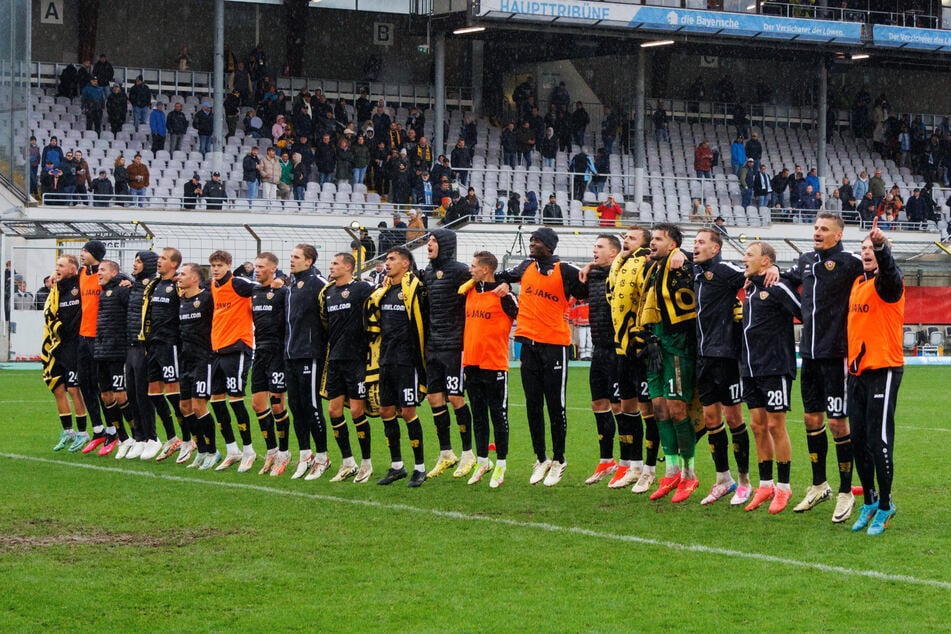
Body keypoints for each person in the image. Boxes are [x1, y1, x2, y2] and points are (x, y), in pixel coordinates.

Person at [777, 212, 865, 523]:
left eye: (824, 229)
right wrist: (776, 272)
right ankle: (819, 485)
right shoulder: (804, 261)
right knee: (811, 419)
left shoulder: (850, 262)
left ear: (837, 235)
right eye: (815, 227)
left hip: (836, 354)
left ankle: (844, 491)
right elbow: (785, 280)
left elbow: (877, 274)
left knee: (839, 424)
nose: (817, 232)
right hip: (810, 356)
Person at [497, 227, 587, 486]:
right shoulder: (526, 266)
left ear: (549, 246)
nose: (532, 243)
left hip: (555, 346)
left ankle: (559, 459)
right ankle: (541, 458)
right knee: (532, 404)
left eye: (537, 240)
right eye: (531, 239)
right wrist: (502, 282)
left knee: (555, 406)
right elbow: (501, 275)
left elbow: (587, 288)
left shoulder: (566, 270)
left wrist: (592, 270)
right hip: (528, 345)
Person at [848, 219, 903, 535]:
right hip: (857, 372)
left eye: (872, 250)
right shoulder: (858, 284)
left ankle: (886, 505)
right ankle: (869, 500)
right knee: (858, 441)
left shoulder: (889, 284)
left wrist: (882, 247)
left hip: (883, 370)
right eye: (864, 249)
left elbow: (891, 272)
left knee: (878, 440)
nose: (867, 252)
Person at [637, 223, 699, 503]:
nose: (653, 243)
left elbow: (702, 267)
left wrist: (684, 254)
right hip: (654, 346)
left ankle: (690, 474)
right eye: (652, 239)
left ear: (673, 244)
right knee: (659, 409)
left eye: (659, 239)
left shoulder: (681, 264)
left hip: (676, 345)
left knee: (677, 409)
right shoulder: (652, 268)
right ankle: (671, 470)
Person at [692, 229, 752, 505]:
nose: (696, 246)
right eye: (694, 242)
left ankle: (744, 481)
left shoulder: (725, 269)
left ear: (715, 248)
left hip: (727, 356)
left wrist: (772, 267)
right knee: (711, 419)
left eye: (701, 242)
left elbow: (751, 275)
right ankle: (722, 478)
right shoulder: (695, 273)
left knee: (733, 419)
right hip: (703, 356)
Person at [740, 241, 802, 514]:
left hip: (775, 368)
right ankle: (765, 484)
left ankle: (784, 487)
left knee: (776, 426)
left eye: (750, 255)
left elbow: (804, 312)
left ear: (766, 261)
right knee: (757, 425)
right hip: (750, 369)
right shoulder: (750, 288)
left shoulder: (777, 287)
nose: (744, 259)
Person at [365, 247, 430, 488]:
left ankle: (420, 467)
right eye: (386, 258)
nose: (387, 262)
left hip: (407, 361)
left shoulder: (413, 289)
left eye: (392, 259)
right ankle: (396, 466)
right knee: (385, 411)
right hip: (386, 360)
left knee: (408, 412)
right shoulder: (384, 291)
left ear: (405, 264)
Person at [602, 226, 659, 491]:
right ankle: (634, 466)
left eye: (632, 238)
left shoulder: (647, 262)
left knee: (649, 410)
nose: (626, 240)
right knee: (627, 407)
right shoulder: (619, 264)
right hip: (621, 345)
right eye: (625, 237)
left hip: (641, 345)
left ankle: (650, 469)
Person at [460, 251, 518, 487]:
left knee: (498, 415)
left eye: (474, 266)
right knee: (479, 416)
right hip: (471, 364)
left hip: (494, 364)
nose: (470, 269)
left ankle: (501, 464)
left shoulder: (505, 296)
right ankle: (482, 461)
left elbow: (523, 316)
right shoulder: (470, 290)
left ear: (486, 269)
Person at [421, 230, 476, 479]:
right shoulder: (428, 273)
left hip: (455, 346)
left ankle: (468, 454)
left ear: (444, 244)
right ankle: (446, 453)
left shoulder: (461, 271)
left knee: (455, 398)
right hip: (433, 346)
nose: (428, 244)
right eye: (428, 241)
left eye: (432, 241)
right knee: (434, 399)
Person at [319, 253, 375, 483]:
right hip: (335, 360)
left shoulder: (362, 288)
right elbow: (324, 322)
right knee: (334, 411)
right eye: (331, 263)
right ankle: (347, 461)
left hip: (357, 359)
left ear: (349, 267)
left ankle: (366, 463)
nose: (331, 267)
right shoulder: (328, 293)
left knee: (356, 411)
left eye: (335, 263)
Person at [206, 250, 260, 473]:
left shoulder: (238, 283)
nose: (216, 269)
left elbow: (259, 288)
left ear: (229, 265)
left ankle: (249, 450)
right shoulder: (213, 285)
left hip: (237, 347)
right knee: (216, 401)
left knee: (236, 400)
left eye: (219, 265)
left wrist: (276, 283)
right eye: (213, 265)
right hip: (217, 348)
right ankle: (232, 449)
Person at [579, 235, 623, 484]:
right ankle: (607, 460)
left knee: (620, 406)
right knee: (598, 403)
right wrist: (590, 266)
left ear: (614, 252)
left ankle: (628, 463)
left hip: (619, 348)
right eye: (594, 246)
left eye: (599, 247)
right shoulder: (593, 275)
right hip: (599, 348)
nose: (594, 250)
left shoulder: (624, 274)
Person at [284, 244, 330, 479]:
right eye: (291, 256)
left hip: (309, 354)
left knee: (312, 407)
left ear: (309, 261)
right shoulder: (291, 286)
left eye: (296, 257)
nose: (291, 260)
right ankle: (305, 455)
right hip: (290, 354)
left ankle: (323, 456)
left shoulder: (318, 283)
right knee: (295, 406)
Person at [249, 253, 292, 476]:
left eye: (262, 267)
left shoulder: (283, 292)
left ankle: (284, 452)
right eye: (256, 266)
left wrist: (283, 280)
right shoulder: (253, 291)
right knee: (258, 404)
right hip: (260, 352)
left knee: (277, 405)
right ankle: (272, 450)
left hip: (278, 352)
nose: (257, 270)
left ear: (273, 268)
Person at [141, 247, 186, 462]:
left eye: (164, 259)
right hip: (154, 344)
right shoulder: (154, 285)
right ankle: (171, 438)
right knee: (154, 393)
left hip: (171, 345)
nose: (159, 261)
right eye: (159, 257)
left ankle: (188, 438)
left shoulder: (178, 286)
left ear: (174, 264)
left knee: (174, 393)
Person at [43, 255, 90, 452]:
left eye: (61, 265)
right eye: (56, 266)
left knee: (73, 389)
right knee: (58, 388)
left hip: (75, 345)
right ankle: (68, 431)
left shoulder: (80, 286)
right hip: (57, 345)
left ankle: (82, 432)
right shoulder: (56, 290)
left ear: (73, 269)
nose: (57, 269)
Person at [174, 262, 218, 469]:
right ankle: (200, 450)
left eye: (182, 274)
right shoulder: (181, 300)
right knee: (184, 407)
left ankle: (212, 450)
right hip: (185, 360)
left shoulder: (207, 298)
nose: (178, 277)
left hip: (203, 359)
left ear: (194, 278)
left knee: (199, 406)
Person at [91, 260, 134, 457]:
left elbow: (133, 314)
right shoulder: (103, 292)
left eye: (102, 270)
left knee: (120, 395)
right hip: (102, 351)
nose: (98, 273)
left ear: (114, 272)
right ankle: (123, 437)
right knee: (106, 396)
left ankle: (136, 436)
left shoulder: (122, 290)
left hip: (118, 351)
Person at [123, 251, 159, 460]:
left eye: (138, 261)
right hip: (131, 344)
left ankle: (152, 438)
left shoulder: (152, 285)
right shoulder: (134, 285)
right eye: (135, 261)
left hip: (144, 346)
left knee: (144, 395)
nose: (135, 264)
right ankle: (139, 437)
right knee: (132, 393)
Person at [75, 241, 107, 453]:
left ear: (94, 254)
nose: (82, 254)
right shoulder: (82, 273)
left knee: (101, 387)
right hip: (83, 337)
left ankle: (114, 430)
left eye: (85, 251)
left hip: (99, 337)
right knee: (84, 383)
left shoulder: (104, 274)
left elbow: (120, 283)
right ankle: (98, 428)